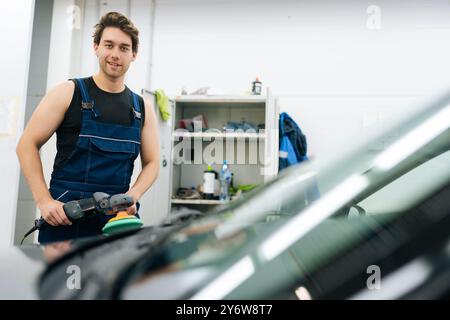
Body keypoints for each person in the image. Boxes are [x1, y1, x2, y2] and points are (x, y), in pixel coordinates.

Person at [16, 12, 160, 244]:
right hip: (64, 219)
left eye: (124, 48)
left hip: (116, 222)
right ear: (96, 47)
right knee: (61, 281)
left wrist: (133, 196)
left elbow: (153, 163)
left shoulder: (142, 107)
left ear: (133, 54)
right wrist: (44, 200)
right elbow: (26, 145)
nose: (115, 54)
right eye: (109, 45)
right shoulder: (68, 92)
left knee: (112, 281)